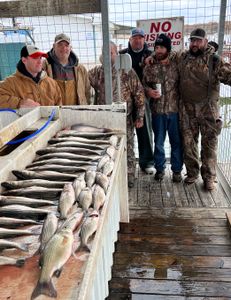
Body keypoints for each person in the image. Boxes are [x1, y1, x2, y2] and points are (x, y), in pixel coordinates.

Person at [178, 28, 231, 190]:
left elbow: (228, 76)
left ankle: (209, 177)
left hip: (208, 110)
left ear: (205, 42)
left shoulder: (214, 60)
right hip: (187, 110)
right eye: (192, 40)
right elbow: (163, 56)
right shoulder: (183, 57)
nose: (194, 44)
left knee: (209, 145)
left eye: (198, 41)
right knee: (188, 144)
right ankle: (192, 173)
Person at [88, 41, 145, 188]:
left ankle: (129, 176)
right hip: (104, 121)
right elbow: (82, 80)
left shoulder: (127, 71)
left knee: (128, 148)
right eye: (104, 53)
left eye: (111, 53)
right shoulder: (97, 72)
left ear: (116, 53)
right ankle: (108, 178)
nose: (107, 57)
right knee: (106, 149)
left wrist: (139, 116)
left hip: (124, 119)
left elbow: (139, 94)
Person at [143, 34, 183, 182]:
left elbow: (183, 54)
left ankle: (177, 170)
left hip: (174, 111)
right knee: (159, 142)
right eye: (157, 48)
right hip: (157, 112)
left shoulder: (176, 63)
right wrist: (148, 91)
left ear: (168, 48)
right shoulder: (150, 65)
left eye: (162, 47)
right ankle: (160, 169)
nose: (159, 50)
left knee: (176, 142)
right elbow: (144, 84)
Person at [119, 28, 154, 174]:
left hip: (143, 99)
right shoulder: (122, 55)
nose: (138, 40)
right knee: (124, 133)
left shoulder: (151, 55)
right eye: (135, 38)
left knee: (144, 130)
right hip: (125, 99)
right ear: (130, 40)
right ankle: (124, 164)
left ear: (144, 40)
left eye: (140, 38)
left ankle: (146, 162)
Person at [43, 33, 91, 105]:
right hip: (54, 113)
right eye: (60, 45)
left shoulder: (80, 69)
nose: (64, 48)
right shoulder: (44, 67)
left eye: (66, 45)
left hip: (76, 113)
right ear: (53, 46)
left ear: (70, 48)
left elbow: (87, 92)